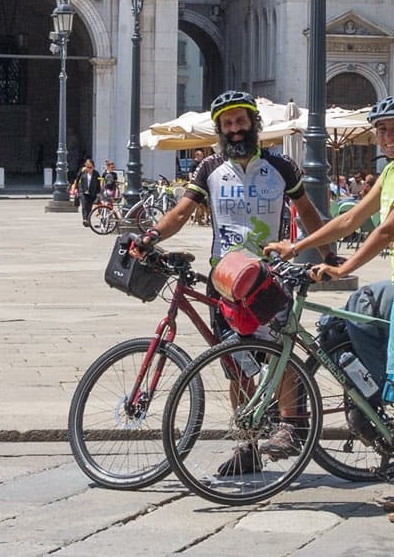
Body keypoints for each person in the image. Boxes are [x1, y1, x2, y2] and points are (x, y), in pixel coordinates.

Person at [269, 96, 394, 525]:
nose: (388, 137)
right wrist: (297, 246)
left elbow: (389, 227)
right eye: (382, 130)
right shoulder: (390, 173)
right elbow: (352, 218)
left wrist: (342, 267)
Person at [139, 91, 326, 474]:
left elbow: (305, 209)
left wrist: (328, 254)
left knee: (279, 350)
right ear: (220, 130)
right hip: (224, 280)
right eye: (228, 124)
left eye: (241, 121)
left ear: (254, 124)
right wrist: (151, 236)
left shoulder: (282, 166)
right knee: (235, 364)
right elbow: (180, 213)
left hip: (269, 276)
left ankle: (291, 424)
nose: (236, 129)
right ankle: (247, 447)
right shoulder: (208, 167)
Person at [76, 157, 99, 227]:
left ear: (93, 166)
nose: (88, 169)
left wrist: (98, 192)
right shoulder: (83, 172)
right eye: (87, 167)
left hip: (92, 192)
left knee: (89, 207)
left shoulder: (96, 173)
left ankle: (88, 219)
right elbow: (77, 179)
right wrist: (77, 190)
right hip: (83, 191)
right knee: (84, 205)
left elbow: (98, 183)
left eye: (90, 167)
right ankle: (85, 219)